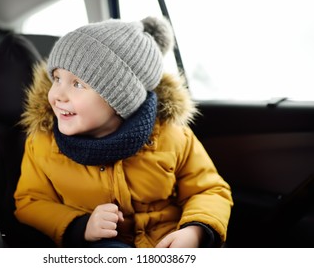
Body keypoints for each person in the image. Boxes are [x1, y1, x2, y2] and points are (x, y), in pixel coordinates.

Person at [14, 16, 233, 248]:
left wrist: (195, 230)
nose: (57, 94)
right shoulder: (42, 144)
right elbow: (30, 202)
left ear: (120, 98)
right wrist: (80, 226)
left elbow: (209, 189)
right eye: (57, 78)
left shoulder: (173, 137)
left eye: (78, 84)